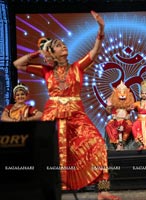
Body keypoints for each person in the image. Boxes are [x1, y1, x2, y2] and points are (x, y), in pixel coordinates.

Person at [13, 11, 120, 200]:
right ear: (52, 54)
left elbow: (95, 51)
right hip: (53, 115)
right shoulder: (45, 71)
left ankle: (103, 190)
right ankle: (48, 189)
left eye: (62, 44)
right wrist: (40, 52)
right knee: (51, 151)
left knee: (99, 144)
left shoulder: (77, 67)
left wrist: (101, 28)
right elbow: (17, 64)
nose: (63, 46)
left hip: (76, 114)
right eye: (57, 46)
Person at [105, 81, 134, 151]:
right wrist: (108, 106)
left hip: (125, 121)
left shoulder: (128, 104)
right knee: (108, 126)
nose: (122, 95)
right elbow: (107, 113)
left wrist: (129, 112)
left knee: (130, 125)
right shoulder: (114, 104)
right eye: (120, 93)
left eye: (124, 93)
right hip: (115, 120)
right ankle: (117, 143)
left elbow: (129, 113)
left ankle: (123, 142)